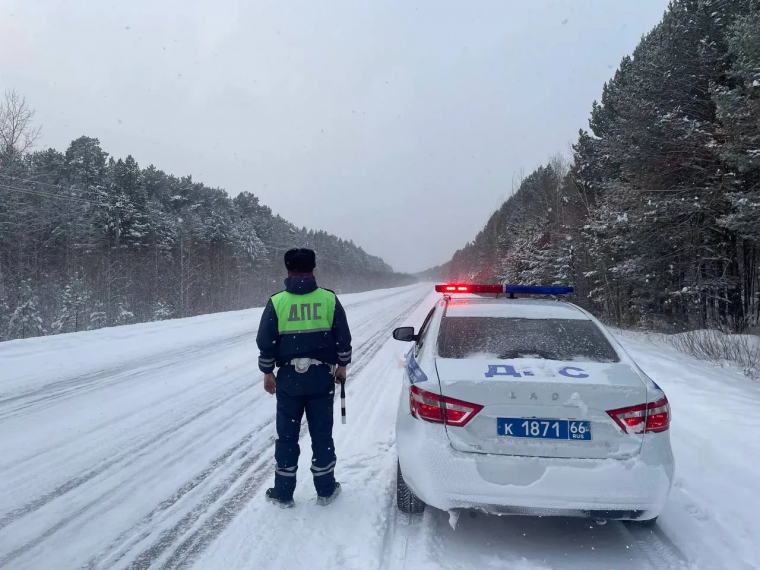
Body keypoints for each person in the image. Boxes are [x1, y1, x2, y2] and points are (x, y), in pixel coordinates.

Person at [256, 248, 352, 508]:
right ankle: (326, 490)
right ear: (313, 269)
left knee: (287, 436)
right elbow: (342, 337)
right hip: (321, 376)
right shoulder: (329, 299)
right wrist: (342, 365)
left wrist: (268, 372)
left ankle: (283, 493)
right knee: (322, 434)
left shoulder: (277, 302)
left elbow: (266, 341)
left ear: (288, 270)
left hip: (289, 379)